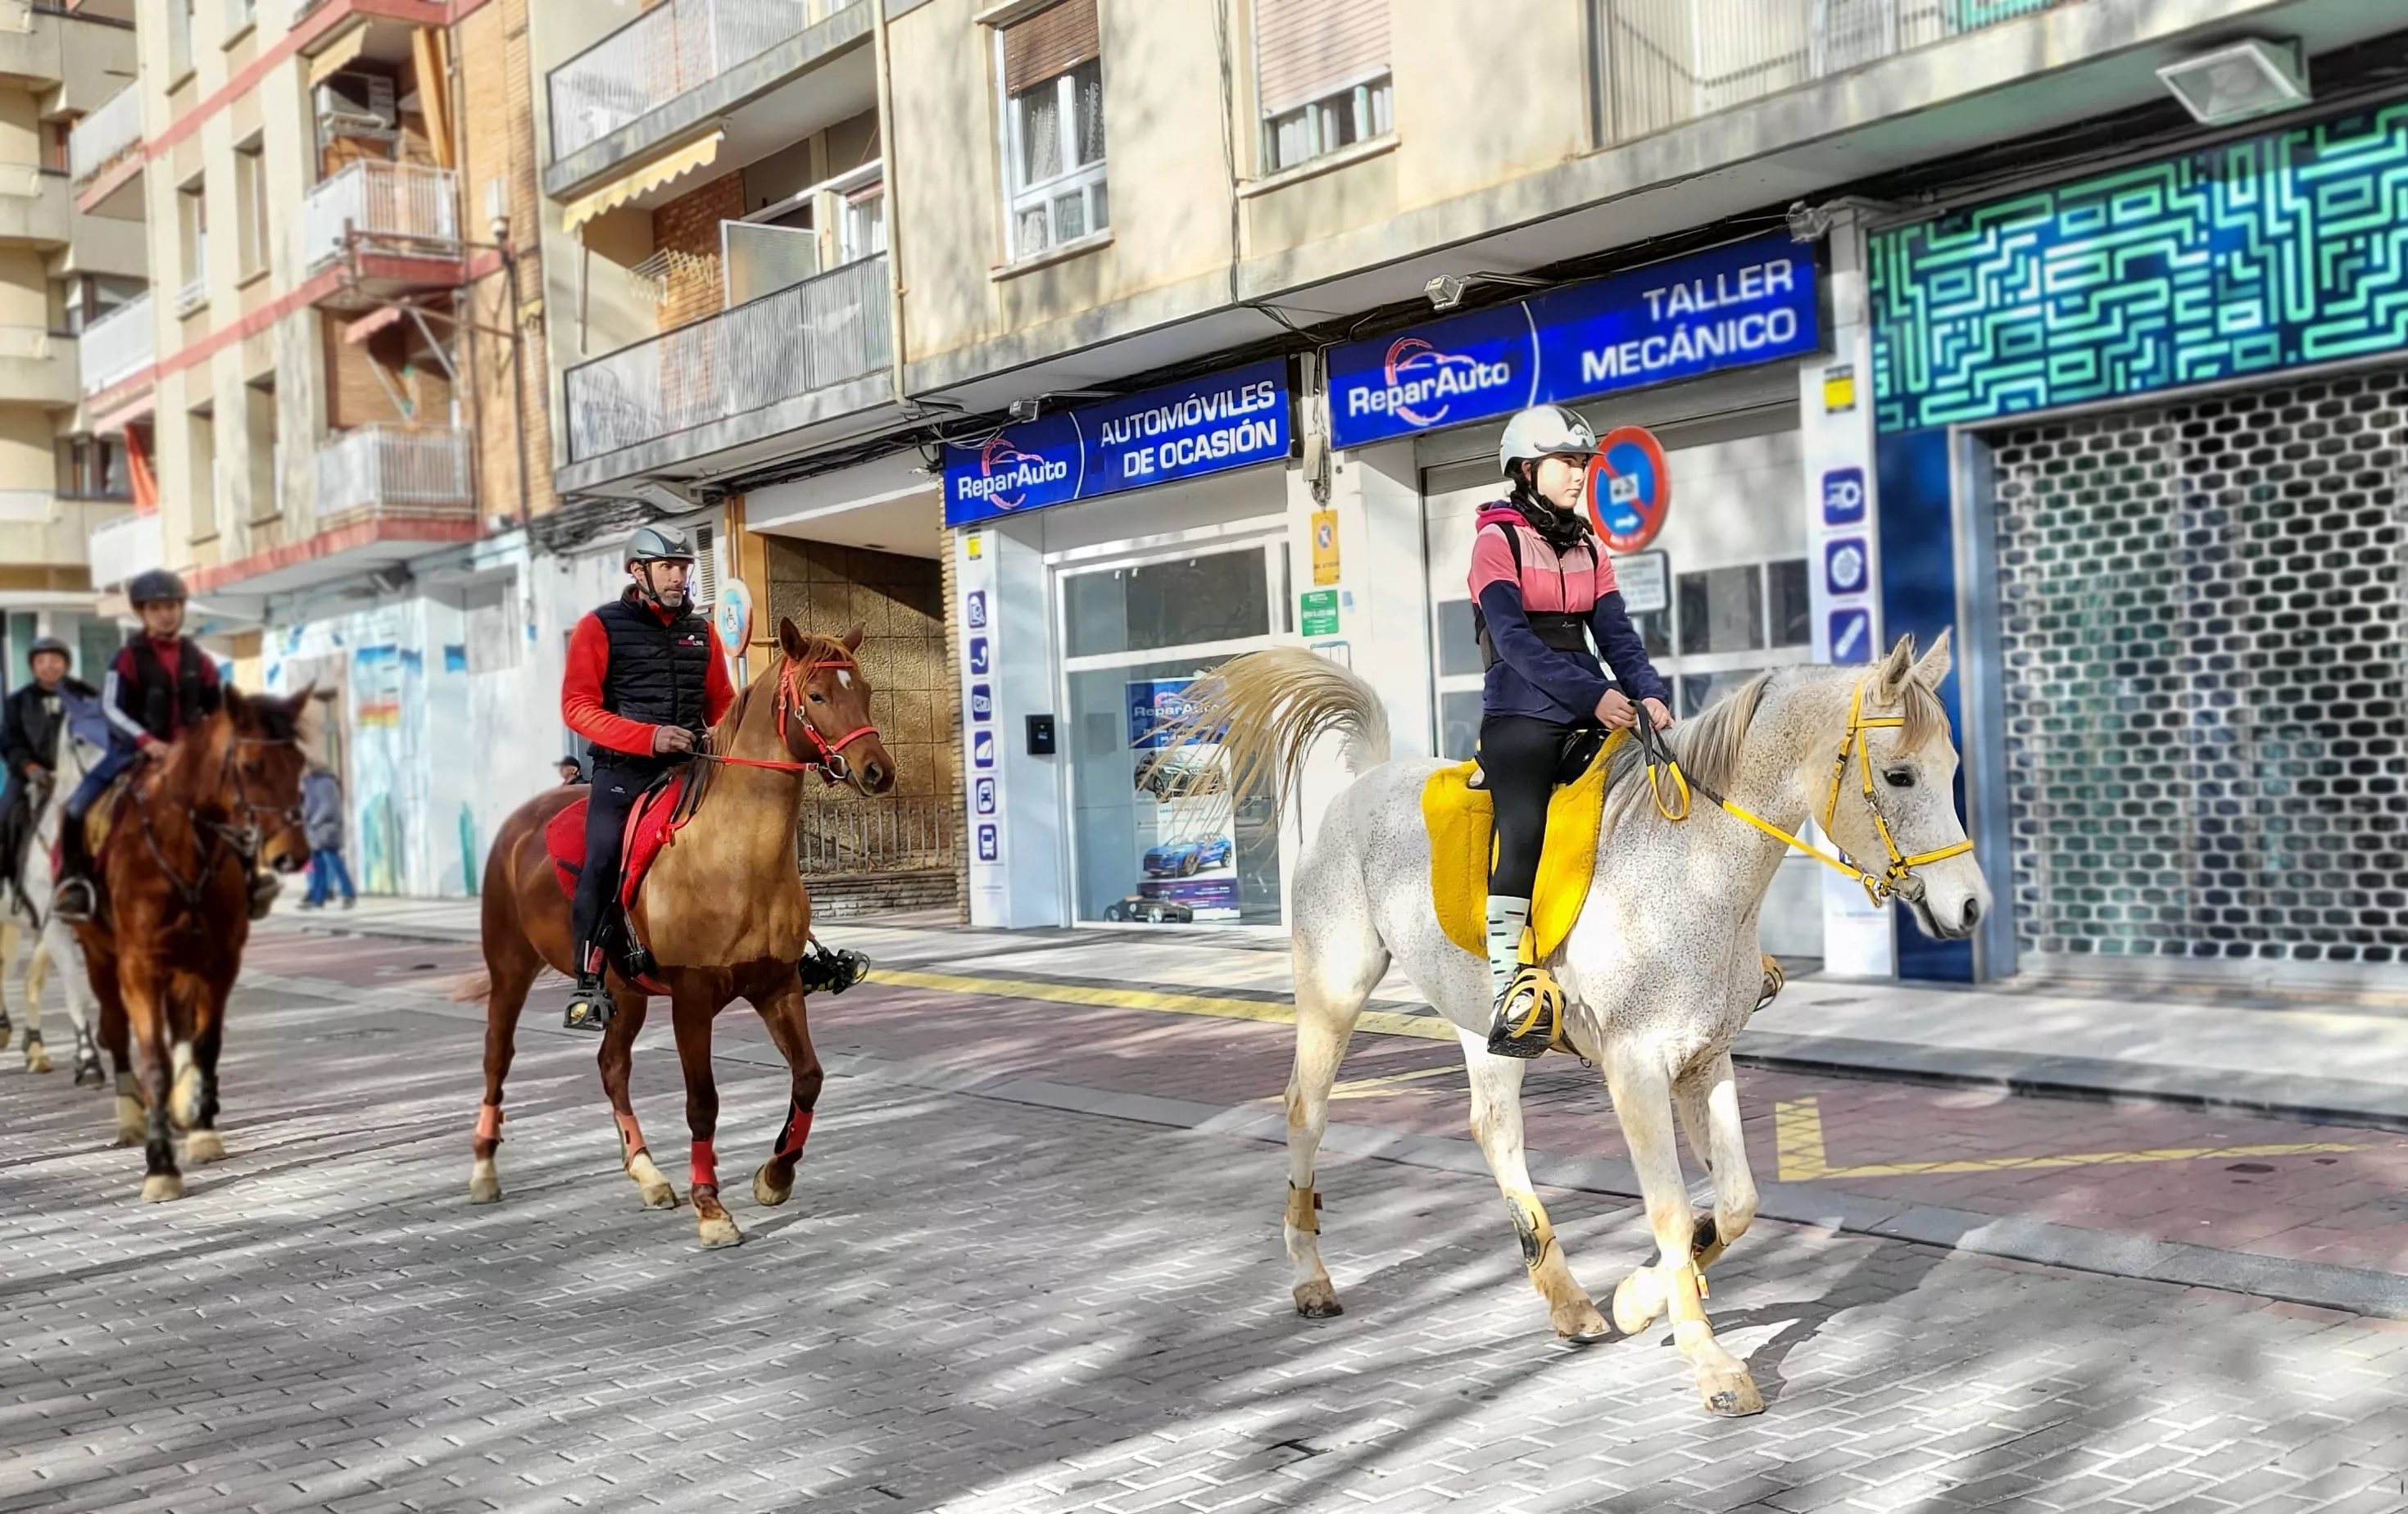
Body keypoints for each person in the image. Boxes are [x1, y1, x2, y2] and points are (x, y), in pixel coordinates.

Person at [1472, 404, 1674, 1058]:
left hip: (1589, 705)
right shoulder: (1494, 542)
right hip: (1520, 709)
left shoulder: (1590, 546)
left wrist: (1647, 692)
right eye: (1567, 463)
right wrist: (1597, 695)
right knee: (1524, 831)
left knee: (1655, 798)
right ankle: (1509, 987)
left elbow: (1616, 636)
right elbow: (1512, 642)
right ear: (1526, 470)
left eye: (1583, 463)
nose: (1579, 475)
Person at [558, 526, 733, 1031]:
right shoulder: (600, 627)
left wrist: (721, 735)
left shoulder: (702, 631)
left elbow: (721, 702)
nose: (679, 577)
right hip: (623, 771)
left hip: (694, 767)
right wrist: (649, 738)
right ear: (639, 572)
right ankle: (588, 979)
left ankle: (788, 946)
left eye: (683, 568)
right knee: (603, 857)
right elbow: (577, 707)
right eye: (668, 568)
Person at [53, 570, 247, 923]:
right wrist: (147, 741)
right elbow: (111, 707)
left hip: (190, 758)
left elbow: (218, 705)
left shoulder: (199, 658)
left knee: (239, 803)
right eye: (157, 608)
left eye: (172, 606)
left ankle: (250, 881)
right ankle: (76, 884)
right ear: (142, 613)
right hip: (130, 754)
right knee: (75, 809)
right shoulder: (127, 657)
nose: (166, 614)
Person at [0, 637, 98, 896]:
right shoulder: (17, 702)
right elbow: (10, 742)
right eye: (41, 661)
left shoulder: (87, 695)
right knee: (5, 814)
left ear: (66, 663)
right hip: (32, 774)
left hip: (79, 774)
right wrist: (29, 767)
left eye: (55, 660)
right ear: (33, 666)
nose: (48, 666)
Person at [298, 763, 355, 910]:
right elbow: (308, 806)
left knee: (333, 862)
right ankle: (318, 898)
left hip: (325, 829)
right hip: (315, 831)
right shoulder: (310, 783)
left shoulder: (324, 783)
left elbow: (327, 806)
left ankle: (348, 892)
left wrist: (313, 822)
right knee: (318, 865)